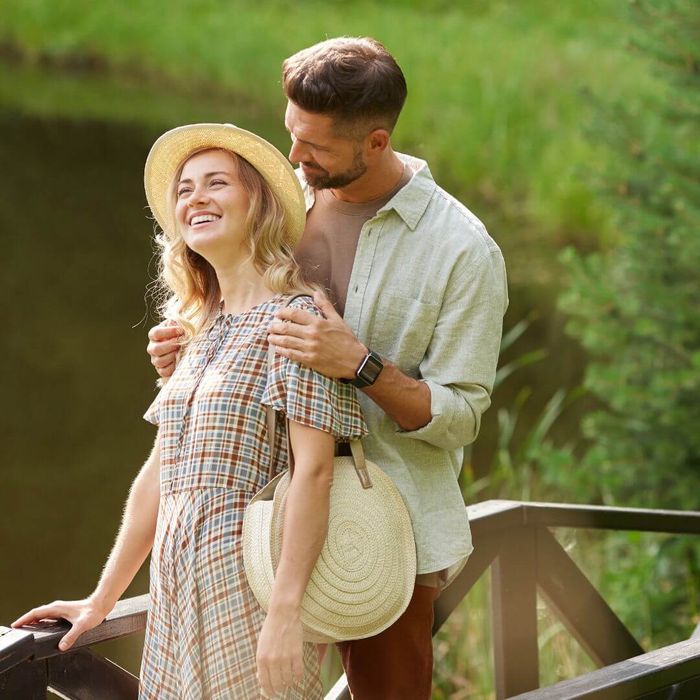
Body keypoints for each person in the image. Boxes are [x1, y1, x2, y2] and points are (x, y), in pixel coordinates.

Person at [148, 38, 508, 699]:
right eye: (293, 135)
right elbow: (239, 308)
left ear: (375, 143)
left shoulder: (462, 251)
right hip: (252, 534)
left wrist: (362, 365)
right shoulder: (287, 209)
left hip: (376, 533)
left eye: (314, 147)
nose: (293, 159)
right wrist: (191, 347)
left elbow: (459, 418)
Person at [13, 123, 367, 699]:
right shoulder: (196, 330)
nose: (195, 198)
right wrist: (101, 598)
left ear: (258, 203)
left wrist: (285, 614)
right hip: (176, 591)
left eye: (216, 183)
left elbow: (315, 471)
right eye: (184, 189)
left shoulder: (297, 318)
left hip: (250, 587)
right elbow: (161, 474)